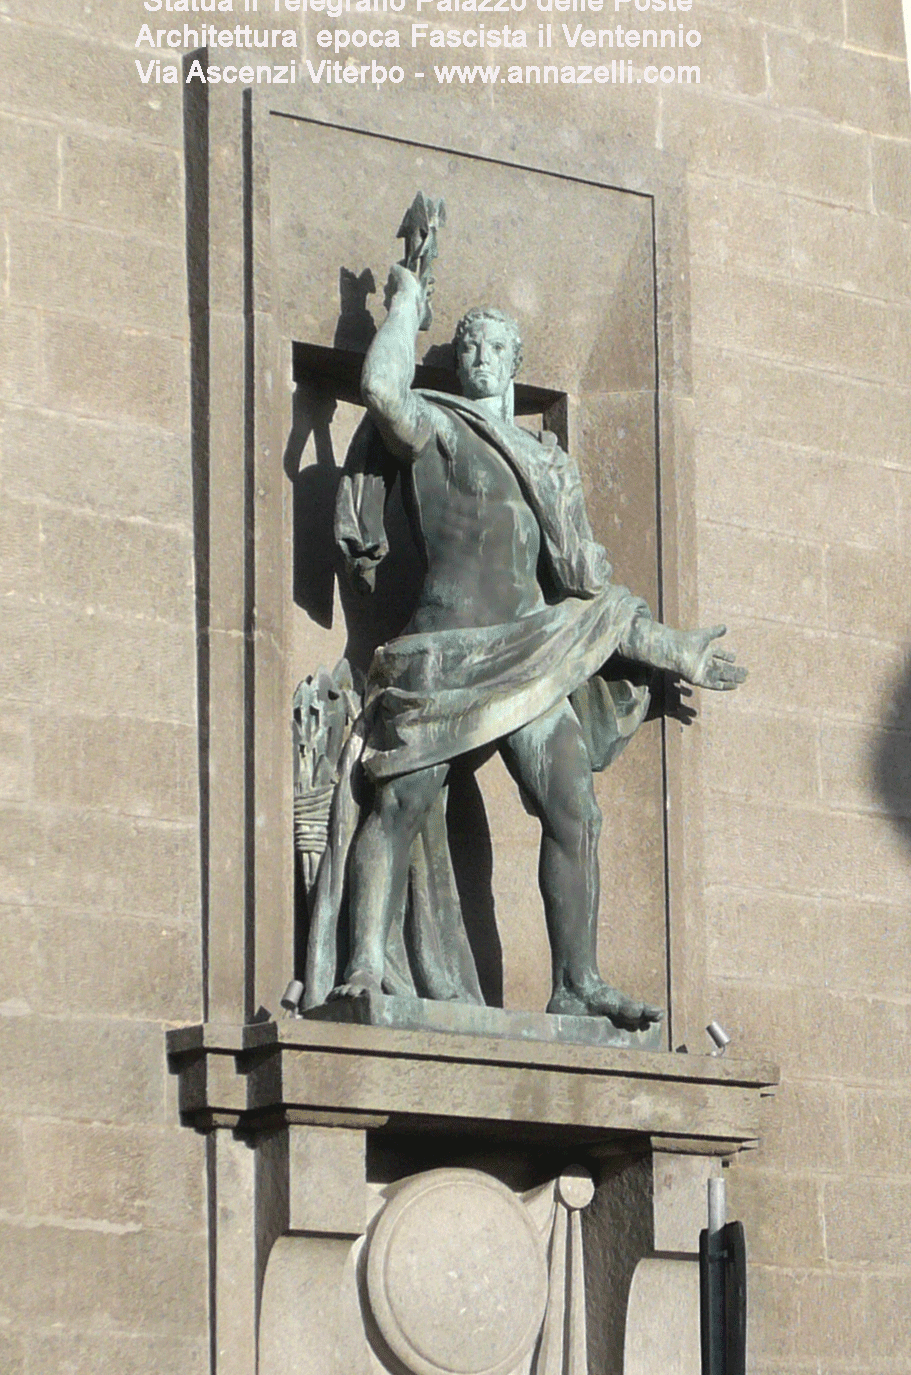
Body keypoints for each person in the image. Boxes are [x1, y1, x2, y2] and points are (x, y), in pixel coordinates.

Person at [311, 263, 744, 1028]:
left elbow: (588, 600)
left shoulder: (549, 465)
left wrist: (678, 652)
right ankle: (365, 963)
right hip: (446, 652)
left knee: (575, 810)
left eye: (494, 347)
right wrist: (406, 307)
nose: (478, 356)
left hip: (533, 652)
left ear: (515, 365)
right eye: (469, 345)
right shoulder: (440, 428)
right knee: (402, 799)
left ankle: (577, 980)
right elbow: (382, 391)